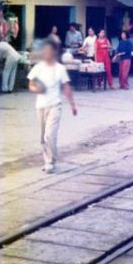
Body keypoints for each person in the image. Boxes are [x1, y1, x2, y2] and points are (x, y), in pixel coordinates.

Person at [27, 39, 77, 174]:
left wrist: (72, 105)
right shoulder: (38, 67)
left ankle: (50, 161)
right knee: (42, 136)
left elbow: (66, 87)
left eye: (49, 50)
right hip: (40, 106)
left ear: (54, 52)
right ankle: (47, 159)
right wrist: (36, 89)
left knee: (50, 135)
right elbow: (31, 84)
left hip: (55, 104)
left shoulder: (60, 68)